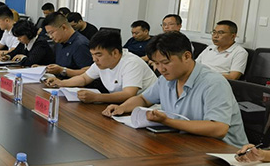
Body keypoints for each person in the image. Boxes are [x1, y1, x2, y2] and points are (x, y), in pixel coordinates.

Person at [102, 31, 247, 147]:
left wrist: (167, 121)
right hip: (186, 144)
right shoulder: (166, 79)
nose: (160, 69)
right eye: (156, 63)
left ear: (186, 56)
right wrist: (122, 107)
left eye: (165, 62)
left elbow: (218, 129)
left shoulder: (213, 83)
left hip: (223, 153)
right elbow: (143, 99)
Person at [46, 30, 156, 104]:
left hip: (147, 108)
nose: (94, 59)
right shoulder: (101, 63)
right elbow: (84, 78)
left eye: (98, 55)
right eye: (92, 55)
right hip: (122, 106)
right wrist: (61, 83)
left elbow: (128, 94)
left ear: (115, 53)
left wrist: (96, 97)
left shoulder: (131, 63)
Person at [42, 12, 93, 78]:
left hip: (73, 83)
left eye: (51, 33)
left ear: (64, 27)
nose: (50, 36)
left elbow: (89, 72)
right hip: (59, 81)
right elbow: (58, 66)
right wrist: (44, 68)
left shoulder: (80, 45)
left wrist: (63, 71)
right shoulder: (59, 42)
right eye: (48, 34)